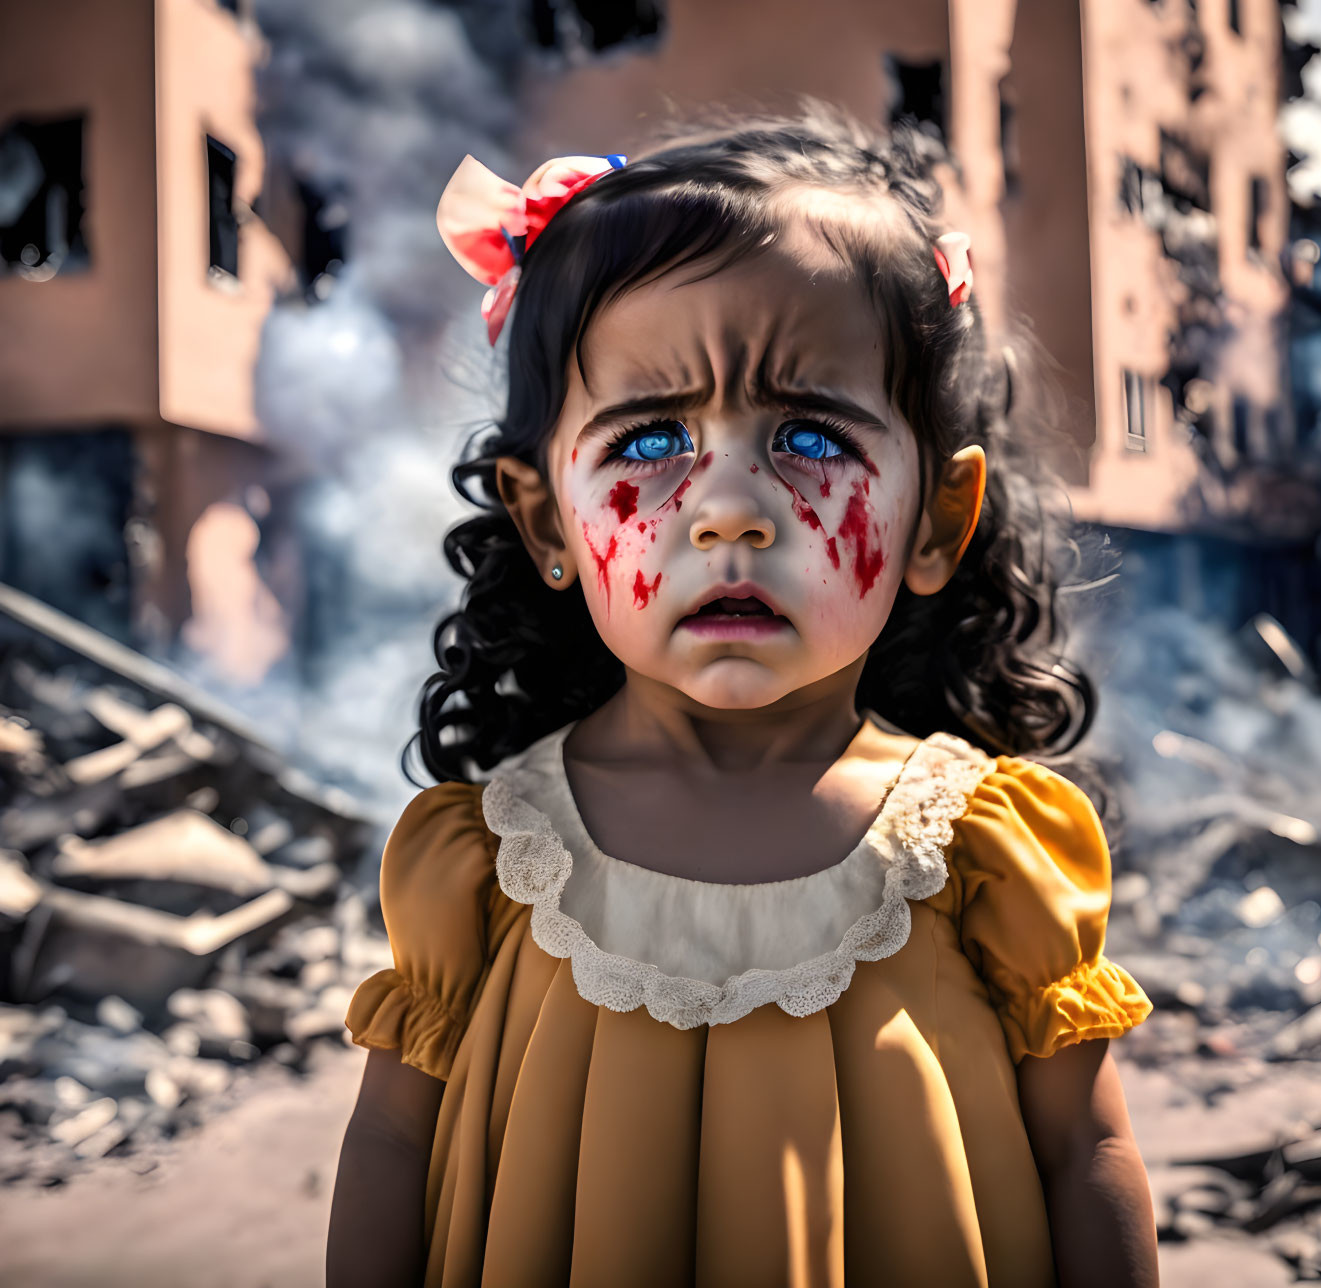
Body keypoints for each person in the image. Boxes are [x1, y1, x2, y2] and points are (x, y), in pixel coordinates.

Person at [327, 102, 1157, 1288]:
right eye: (649, 438)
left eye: (812, 439)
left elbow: (1087, 1145)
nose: (730, 507)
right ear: (543, 518)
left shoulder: (989, 851)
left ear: (936, 521)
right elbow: (392, 1143)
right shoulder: (481, 866)